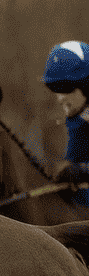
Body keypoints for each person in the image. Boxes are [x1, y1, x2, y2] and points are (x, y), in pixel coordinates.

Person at [44, 41, 89, 204]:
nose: (60, 97)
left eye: (66, 87)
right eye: (55, 88)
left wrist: (83, 170)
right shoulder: (77, 120)